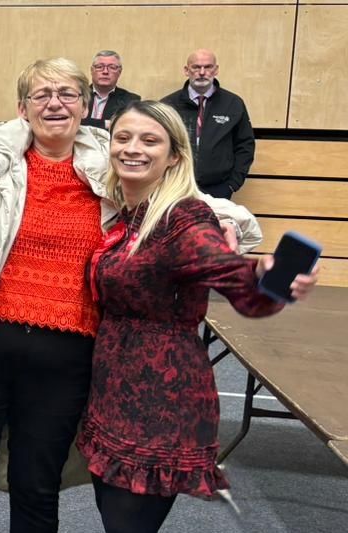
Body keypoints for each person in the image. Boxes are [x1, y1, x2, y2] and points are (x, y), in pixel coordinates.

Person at [0, 57, 260, 533]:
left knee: (37, 485)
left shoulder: (108, 160)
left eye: (67, 94)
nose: (55, 103)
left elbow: (186, 197)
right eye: (42, 94)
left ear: (84, 104)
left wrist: (227, 221)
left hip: (68, 355)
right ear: (22, 108)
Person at [80, 100, 317, 533]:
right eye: (123, 138)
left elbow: (230, 277)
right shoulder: (131, 212)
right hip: (114, 389)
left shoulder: (183, 218)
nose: (132, 148)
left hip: (160, 400)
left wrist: (264, 275)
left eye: (150, 140)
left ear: (174, 156)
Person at [161, 49, 254, 199]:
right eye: (196, 67)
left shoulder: (233, 103)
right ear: (187, 70)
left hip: (219, 188)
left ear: (216, 70)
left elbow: (245, 145)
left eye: (208, 67)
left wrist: (232, 184)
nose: (202, 72)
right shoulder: (168, 105)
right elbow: (159, 146)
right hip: (176, 186)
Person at [81, 50, 138, 130]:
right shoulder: (79, 95)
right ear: (92, 70)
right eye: (100, 67)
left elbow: (126, 127)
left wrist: (87, 122)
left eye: (112, 67)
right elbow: (73, 123)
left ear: (119, 72)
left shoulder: (131, 100)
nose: (105, 72)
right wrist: (106, 123)